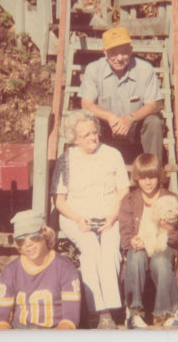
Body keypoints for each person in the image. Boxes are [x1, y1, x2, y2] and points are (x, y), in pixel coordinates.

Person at [51, 110, 130, 329]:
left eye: (94, 133)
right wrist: (78, 219)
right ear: (74, 138)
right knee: (91, 250)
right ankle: (100, 311)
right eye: (86, 135)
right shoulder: (65, 160)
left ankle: (111, 307)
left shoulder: (112, 154)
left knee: (110, 251)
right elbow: (59, 201)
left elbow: (124, 191)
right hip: (77, 217)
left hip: (109, 214)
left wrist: (113, 217)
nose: (93, 138)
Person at [118, 153, 178, 329]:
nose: (148, 182)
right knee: (135, 258)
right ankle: (133, 313)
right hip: (139, 246)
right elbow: (125, 232)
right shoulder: (129, 200)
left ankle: (169, 312)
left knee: (161, 261)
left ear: (159, 177)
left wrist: (169, 228)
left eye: (152, 177)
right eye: (143, 178)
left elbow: (177, 239)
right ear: (137, 179)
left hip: (162, 246)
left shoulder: (170, 199)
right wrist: (132, 240)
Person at [78, 26, 164, 163]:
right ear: (105, 52)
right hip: (105, 127)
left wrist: (130, 119)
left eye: (124, 53)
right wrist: (110, 117)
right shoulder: (94, 69)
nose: (119, 58)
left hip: (135, 126)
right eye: (113, 53)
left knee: (154, 122)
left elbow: (154, 104)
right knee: (85, 121)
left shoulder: (145, 69)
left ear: (131, 51)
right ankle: (89, 170)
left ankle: (153, 173)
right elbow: (86, 104)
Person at [0, 210, 81, 330]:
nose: (28, 244)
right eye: (21, 240)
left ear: (45, 235)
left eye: (34, 237)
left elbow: (70, 320)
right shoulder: (10, 271)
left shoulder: (65, 268)